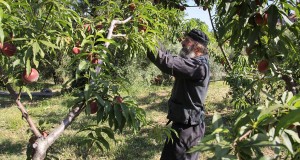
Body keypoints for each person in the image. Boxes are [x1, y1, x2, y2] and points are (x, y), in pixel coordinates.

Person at [147, 29, 210, 160]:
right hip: (182, 125)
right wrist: (150, 37)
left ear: (197, 46)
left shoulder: (198, 66)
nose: (182, 42)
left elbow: (167, 63)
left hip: (188, 130)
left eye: (187, 40)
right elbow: (168, 56)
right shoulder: (194, 63)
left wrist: (146, 44)